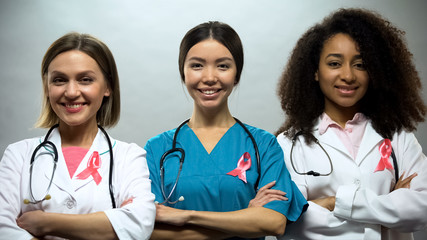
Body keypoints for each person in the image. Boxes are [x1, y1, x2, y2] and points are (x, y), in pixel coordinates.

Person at [144, 21, 308, 240]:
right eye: (197, 65)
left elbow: (274, 222)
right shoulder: (157, 149)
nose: (210, 77)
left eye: (223, 66)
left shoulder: (263, 144)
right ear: (183, 73)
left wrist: (187, 216)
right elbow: (148, 230)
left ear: (237, 75)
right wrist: (246, 219)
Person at [275, 8, 427, 240]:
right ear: (315, 71)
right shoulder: (290, 144)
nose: (348, 75)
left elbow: (422, 208)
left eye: (360, 64)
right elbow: (290, 222)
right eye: (335, 63)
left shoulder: (398, 136)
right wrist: (387, 207)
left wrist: (335, 203)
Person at [0, 32, 156, 239]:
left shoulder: (129, 157)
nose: (71, 92)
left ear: (107, 87)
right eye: (59, 80)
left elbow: (139, 224)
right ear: (47, 87)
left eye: (85, 79)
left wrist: (46, 223)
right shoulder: (19, 155)